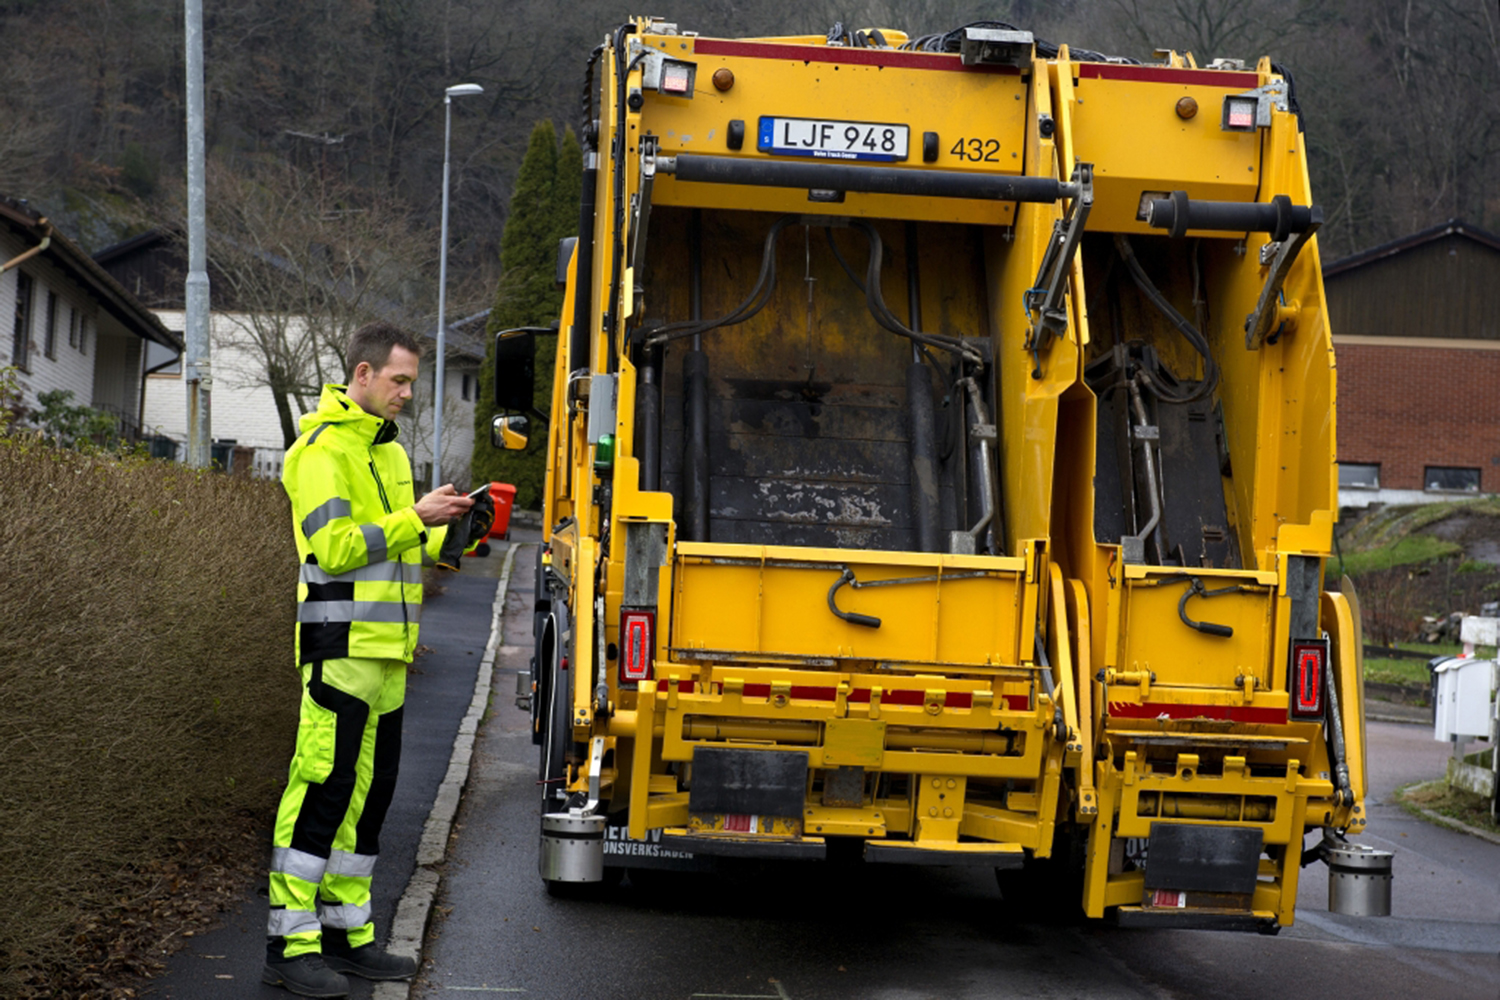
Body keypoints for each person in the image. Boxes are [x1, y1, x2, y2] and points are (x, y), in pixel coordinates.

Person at [263, 321, 491, 998]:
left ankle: (345, 935)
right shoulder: (320, 450)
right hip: (340, 652)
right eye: (399, 381)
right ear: (362, 374)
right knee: (320, 792)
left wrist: (452, 529)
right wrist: (413, 519)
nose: (406, 395)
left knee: (366, 800)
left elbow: (401, 549)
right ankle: (289, 943)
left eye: (411, 383)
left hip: (387, 654)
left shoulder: (388, 454)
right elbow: (333, 549)